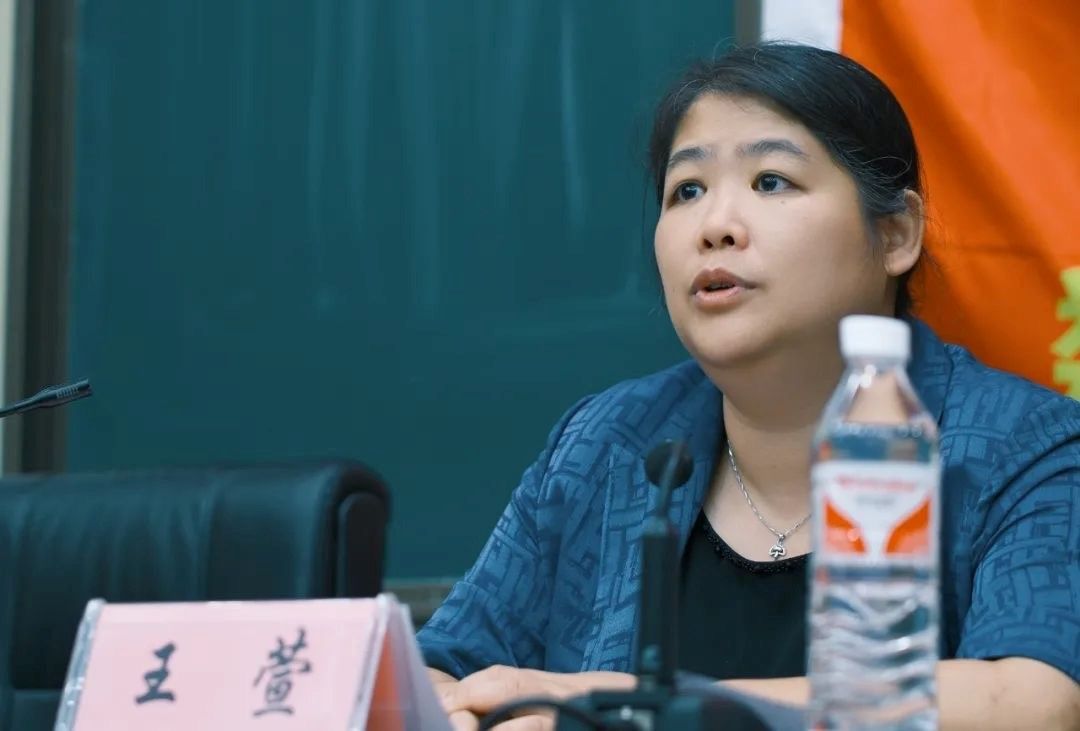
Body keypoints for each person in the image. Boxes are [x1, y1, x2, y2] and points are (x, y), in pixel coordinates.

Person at [417, 42, 1080, 730]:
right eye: (687, 190)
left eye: (770, 181)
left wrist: (629, 710)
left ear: (894, 235)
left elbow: (1036, 701)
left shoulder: (1026, 447)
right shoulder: (607, 443)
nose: (715, 227)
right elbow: (438, 667)